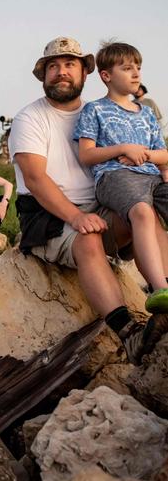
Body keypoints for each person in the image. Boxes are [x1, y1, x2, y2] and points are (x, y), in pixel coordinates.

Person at [9, 36, 168, 365]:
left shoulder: (99, 113)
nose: (61, 72)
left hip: (100, 203)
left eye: (70, 64)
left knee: (145, 214)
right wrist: (75, 217)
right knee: (89, 240)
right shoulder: (30, 118)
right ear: (44, 76)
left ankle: (163, 293)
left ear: (85, 72)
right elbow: (36, 179)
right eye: (53, 66)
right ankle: (128, 332)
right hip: (48, 214)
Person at [74, 41, 168, 311]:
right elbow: (86, 155)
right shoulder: (95, 110)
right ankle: (159, 288)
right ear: (106, 76)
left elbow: (163, 154)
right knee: (142, 212)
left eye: (138, 67)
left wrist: (146, 155)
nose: (136, 73)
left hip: (151, 174)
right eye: (127, 68)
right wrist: (123, 149)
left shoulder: (147, 113)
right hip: (115, 176)